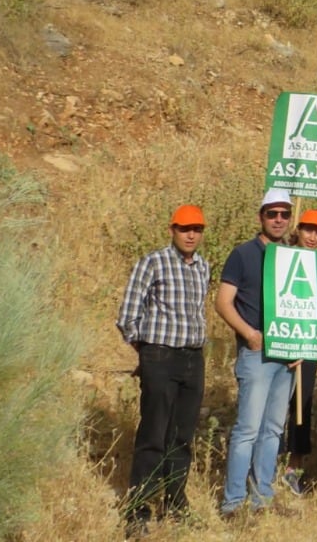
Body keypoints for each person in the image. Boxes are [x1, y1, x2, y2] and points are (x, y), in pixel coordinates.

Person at [117, 204, 210, 530]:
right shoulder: (153, 262)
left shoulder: (203, 267)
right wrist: (147, 351)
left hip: (193, 358)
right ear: (172, 229)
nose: (191, 234)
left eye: (196, 229)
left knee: (182, 437)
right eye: (185, 228)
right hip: (160, 356)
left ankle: (175, 504)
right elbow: (128, 314)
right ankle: (137, 511)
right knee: (153, 434)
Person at [215, 189, 298, 517]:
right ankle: (233, 503)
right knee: (247, 430)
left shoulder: (292, 255)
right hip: (256, 355)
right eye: (272, 214)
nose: (278, 219)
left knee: (273, 430)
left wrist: (300, 345)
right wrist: (249, 334)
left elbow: (300, 306)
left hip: (286, 357)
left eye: (284, 214)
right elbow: (223, 302)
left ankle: (262, 497)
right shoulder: (242, 254)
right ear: (261, 216)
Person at [280, 208, 317, 495]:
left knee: (303, 406)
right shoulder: (280, 256)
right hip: (281, 340)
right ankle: (264, 467)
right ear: (298, 229)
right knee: (273, 410)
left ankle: (293, 469)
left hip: (309, 341)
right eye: (309, 230)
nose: (313, 236)